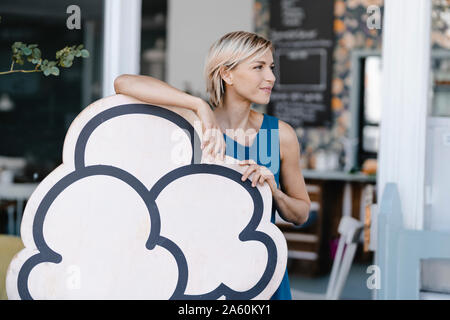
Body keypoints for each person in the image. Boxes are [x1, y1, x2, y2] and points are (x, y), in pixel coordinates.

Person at [114, 31, 311, 300]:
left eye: (271, 67)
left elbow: (300, 214)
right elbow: (123, 82)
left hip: (261, 276)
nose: (271, 77)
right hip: (200, 276)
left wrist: (273, 192)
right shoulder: (193, 129)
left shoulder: (280, 135)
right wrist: (198, 106)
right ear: (227, 75)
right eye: (258, 67)